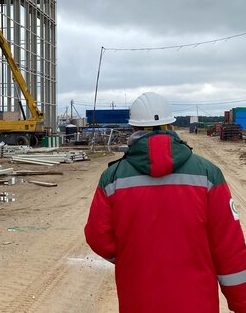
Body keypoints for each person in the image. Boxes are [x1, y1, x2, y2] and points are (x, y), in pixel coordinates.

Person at [85, 91, 246, 312]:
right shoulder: (208, 174)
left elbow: (97, 236)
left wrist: (132, 255)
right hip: (197, 304)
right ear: (170, 126)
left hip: (138, 302)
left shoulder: (113, 178)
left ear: (134, 129)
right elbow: (230, 250)